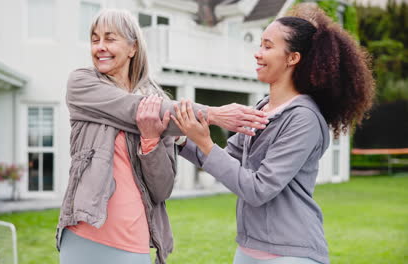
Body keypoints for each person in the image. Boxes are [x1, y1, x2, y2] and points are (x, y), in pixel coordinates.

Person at [164, 3, 374, 264]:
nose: (257, 54)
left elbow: (258, 188)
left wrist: (205, 143)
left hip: (291, 252)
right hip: (248, 248)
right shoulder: (262, 109)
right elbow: (226, 159)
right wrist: (183, 138)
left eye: (267, 46)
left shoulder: (304, 119)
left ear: (292, 58)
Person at [55, 9, 269, 264]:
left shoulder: (159, 101)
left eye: (110, 39)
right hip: (84, 234)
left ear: (132, 47)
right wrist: (212, 114)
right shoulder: (82, 84)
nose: (100, 47)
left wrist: (150, 140)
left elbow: (162, 189)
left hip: (133, 240)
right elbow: (133, 108)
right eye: (94, 39)